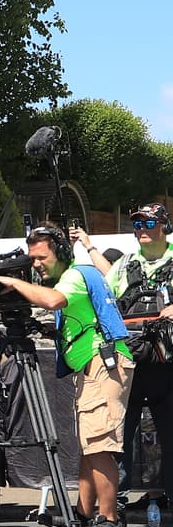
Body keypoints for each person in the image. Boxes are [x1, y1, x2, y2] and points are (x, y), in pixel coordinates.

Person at [0, 225, 133, 527]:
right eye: (32, 258)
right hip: (93, 365)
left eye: (41, 257)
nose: (36, 264)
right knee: (90, 446)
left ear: (62, 252)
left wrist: (15, 281)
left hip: (103, 363)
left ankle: (110, 520)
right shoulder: (73, 276)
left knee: (100, 446)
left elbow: (55, 301)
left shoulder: (75, 274)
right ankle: (83, 515)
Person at [84, 204, 173, 510]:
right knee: (118, 437)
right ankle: (113, 506)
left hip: (168, 363)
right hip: (130, 359)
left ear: (164, 225)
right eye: (137, 225)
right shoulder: (124, 264)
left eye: (148, 223)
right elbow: (105, 299)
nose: (142, 229)